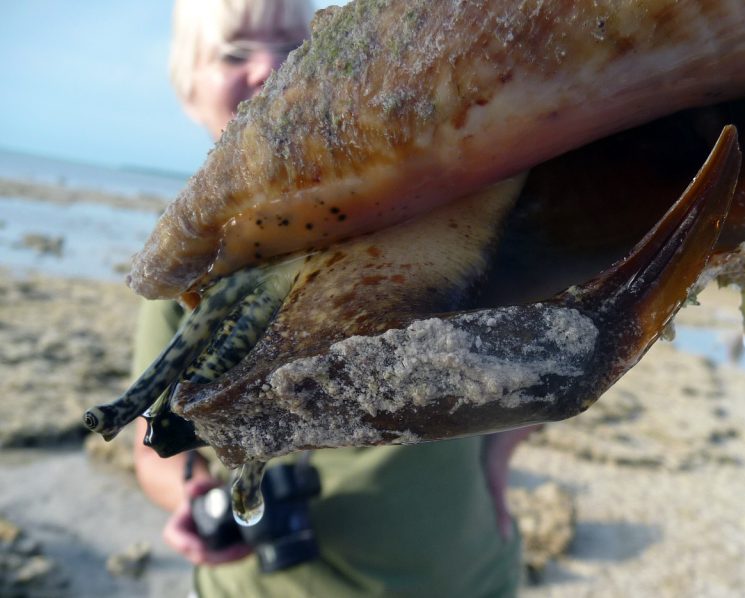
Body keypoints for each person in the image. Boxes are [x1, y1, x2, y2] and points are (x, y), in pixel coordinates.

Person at [132, 1, 533, 595]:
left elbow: (549, 338)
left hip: (465, 576)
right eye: (236, 52)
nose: (269, 69)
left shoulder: (428, 216)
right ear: (190, 89)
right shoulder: (187, 273)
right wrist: (195, 499)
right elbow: (152, 453)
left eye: (295, 49)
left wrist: (498, 450)